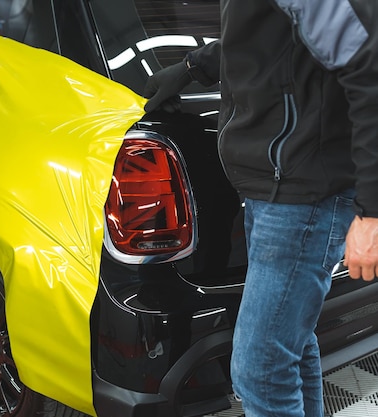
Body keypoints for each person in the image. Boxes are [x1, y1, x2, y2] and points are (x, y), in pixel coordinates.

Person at [143, 1, 378, 416]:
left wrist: (372, 212)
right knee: (291, 348)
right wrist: (194, 66)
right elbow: (267, 37)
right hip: (276, 185)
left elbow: (367, 62)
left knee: (260, 372)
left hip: (302, 191)